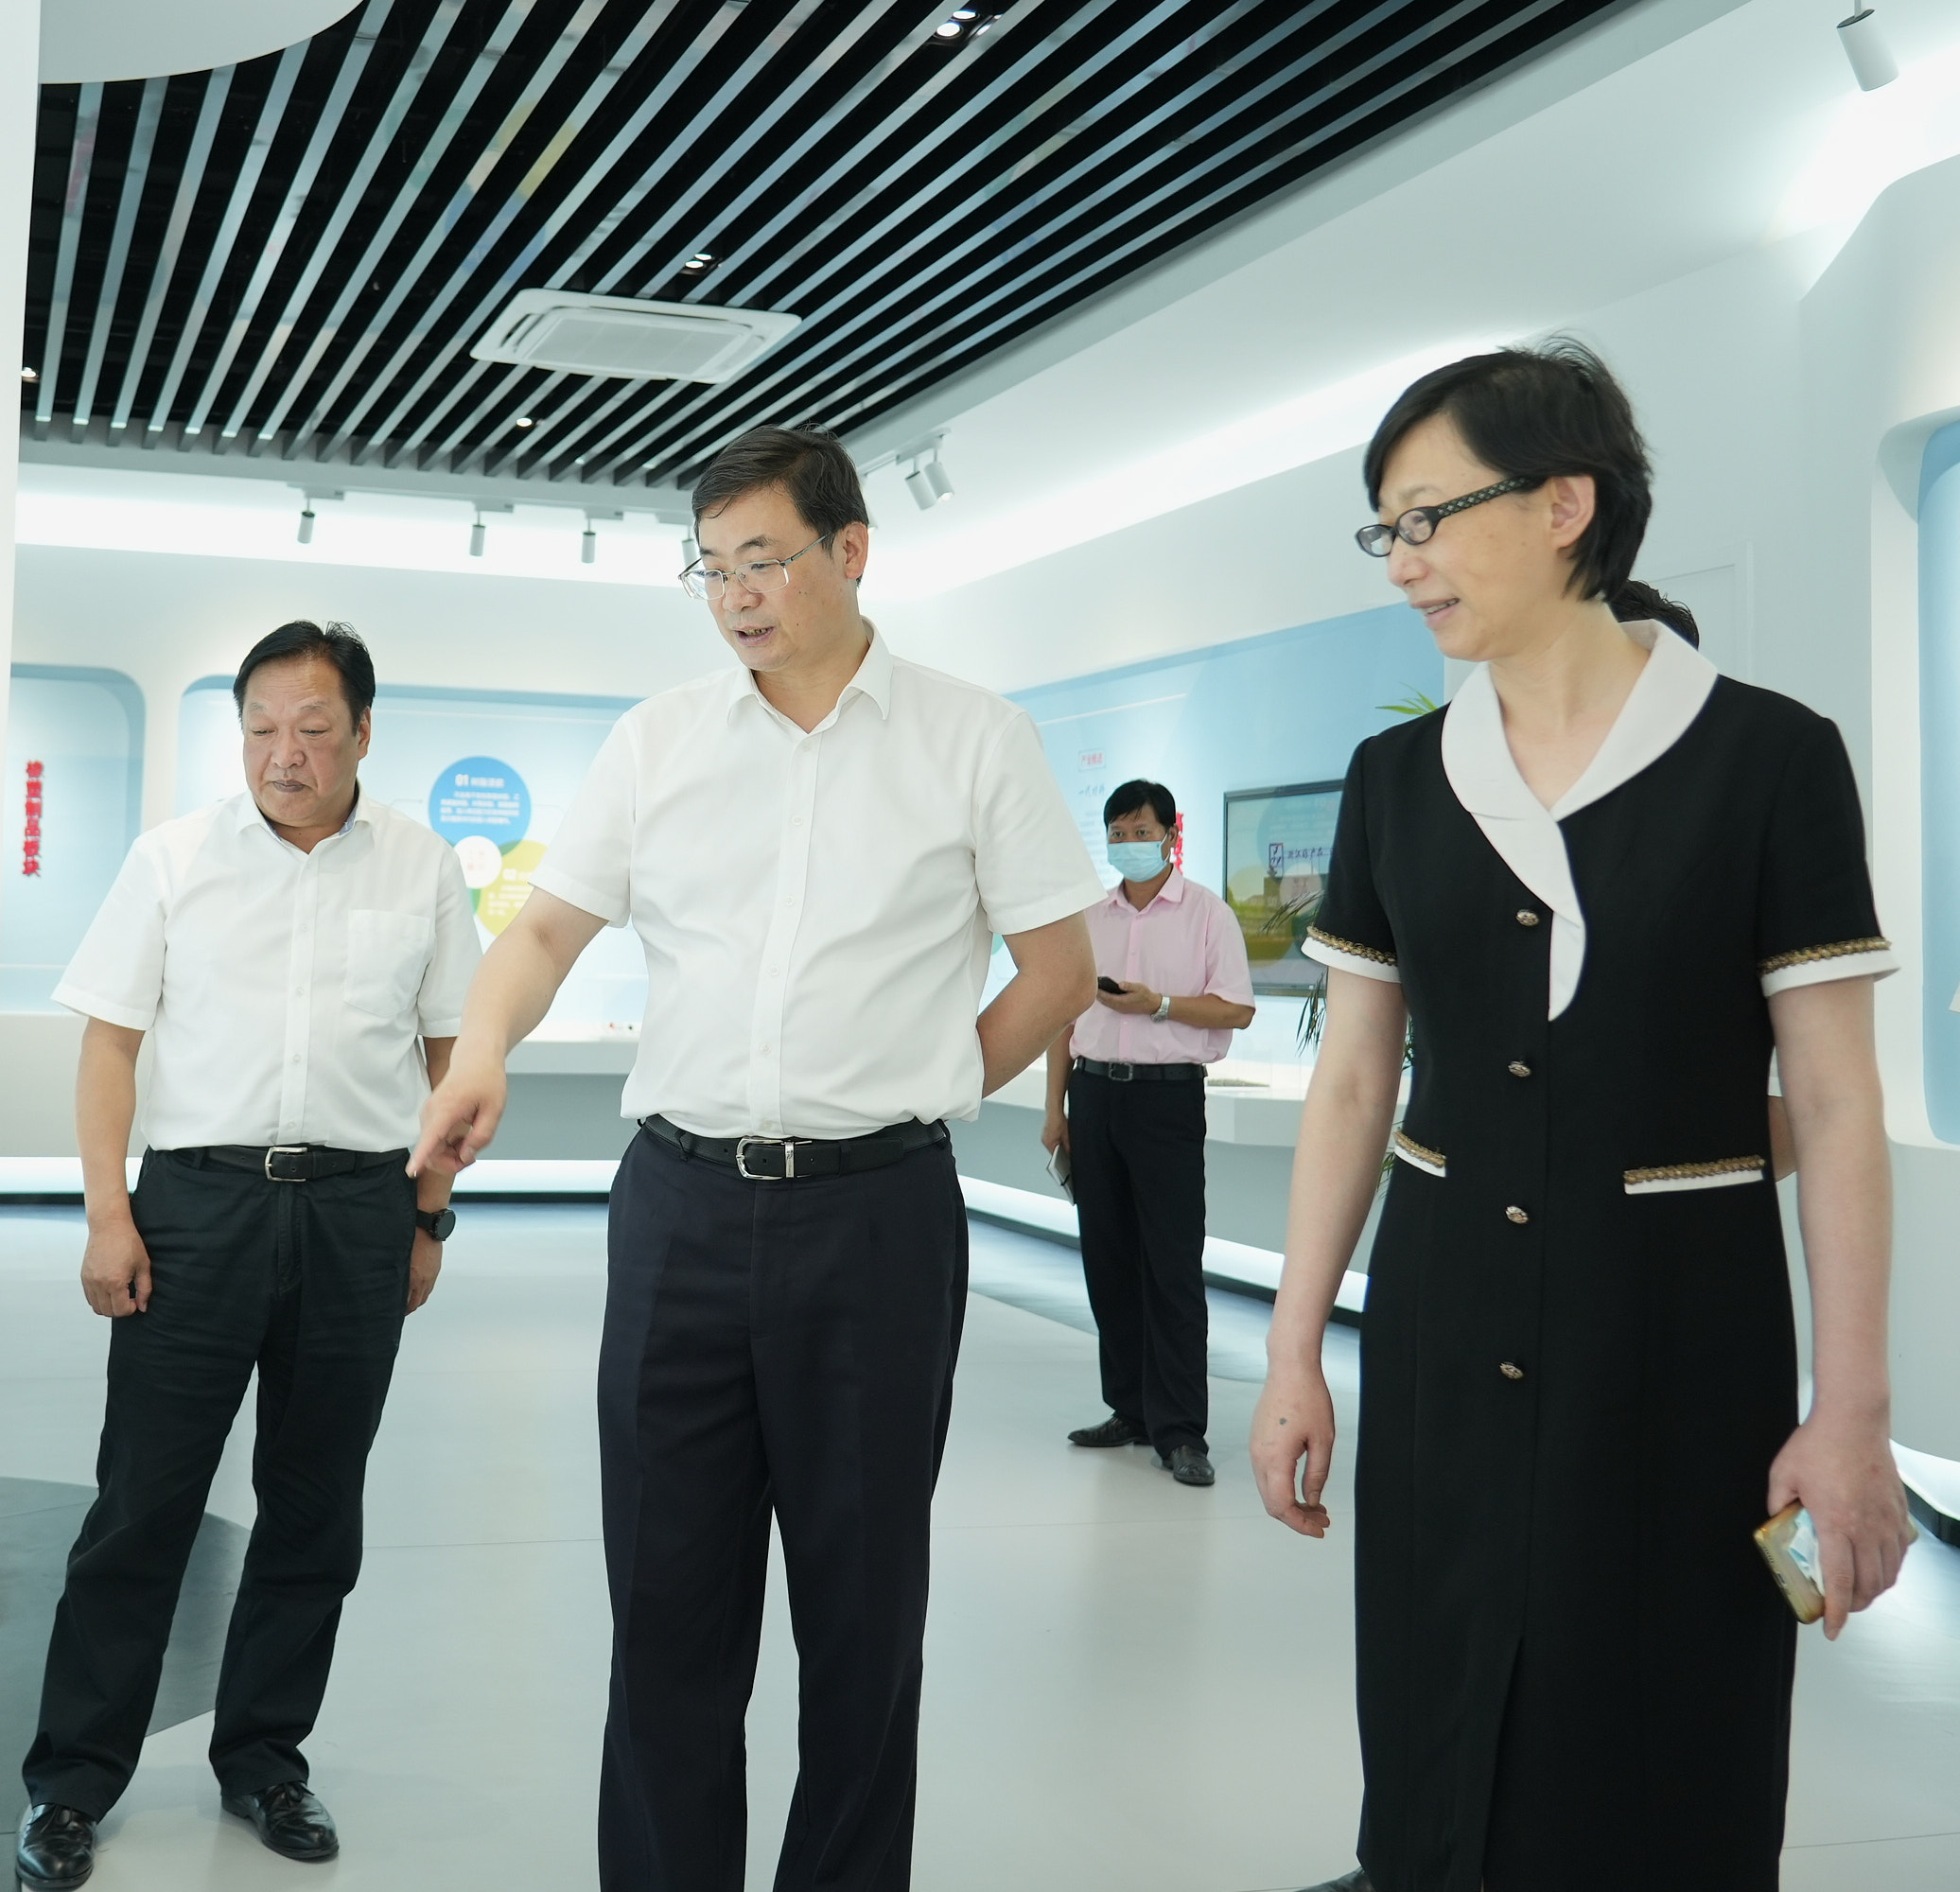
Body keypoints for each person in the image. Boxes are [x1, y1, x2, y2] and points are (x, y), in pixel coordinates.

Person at [1251, 342, 1908, 1892]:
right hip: (1443, 1311)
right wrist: (1292, 1353)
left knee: (1664, 1709)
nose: (1403, 562)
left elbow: (1834, 1099)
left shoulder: (1769, 758)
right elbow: (1355, 1080)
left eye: (1429, 518)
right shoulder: (1397, 778)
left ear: (1564, 505)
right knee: (1436, 1690)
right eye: (1387, 527)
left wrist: (1854, 1413)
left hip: (1679, 1331)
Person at [410, 427, 1100, 1891]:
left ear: (851, 553)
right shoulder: (659, 740)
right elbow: (546, 929)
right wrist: (480, 1053)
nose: (735, 595)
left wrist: (921, 1090)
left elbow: (1058, 968)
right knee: (666, 1608)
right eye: (712, 569)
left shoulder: (973, 737)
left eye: (764, 561)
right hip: (679, 1212)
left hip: (878, 1223)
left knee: (864, 1616)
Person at [14, 622, 480, 1890]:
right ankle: (71, 1781)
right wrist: (109, 1214)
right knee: (141, 1504)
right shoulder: (173, 861)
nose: (286, 752)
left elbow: (452, 1053)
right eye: (263, 727)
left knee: (316, 1510)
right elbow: (110, 1044)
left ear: (363, 732)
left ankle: (266, 1758)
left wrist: (427, 1215)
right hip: (197, 1208)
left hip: (358, 1210)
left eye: (314, 727)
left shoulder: (423, 866)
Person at [1041, 779, 1255, 1487]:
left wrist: (1158, 1005)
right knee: (1107, 1260)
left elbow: (1236, 1010)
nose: (1129, 843)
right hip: (1094, 1095)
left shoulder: (1207, 914)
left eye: (1142, 831)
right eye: (1118, 833)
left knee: (1171, 1265)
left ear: (1171, 836)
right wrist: (1056, 1110)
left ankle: (1181, 1431)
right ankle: (1130, 1409)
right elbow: (1063, 1017)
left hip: (1167, 1101)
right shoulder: (1090, 917)